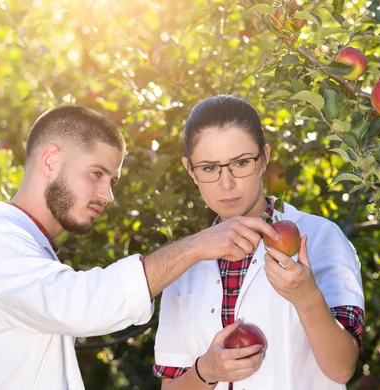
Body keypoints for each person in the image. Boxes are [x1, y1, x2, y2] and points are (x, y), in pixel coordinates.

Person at [0, 105, 280, 390]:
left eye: (113, 180)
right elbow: (82, 304)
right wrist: (195, 247)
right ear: (50, 160)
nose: (108, 195)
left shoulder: (23, 252)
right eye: (96, 174)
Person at [153, 95, 365, 389]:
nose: (226, 184)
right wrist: (207, 369)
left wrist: (307, 299)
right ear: (190, 170)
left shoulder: (319, 238)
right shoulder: (185, 265)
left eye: (241, 163)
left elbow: (342, 369)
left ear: (264, 158)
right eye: (209, 168)